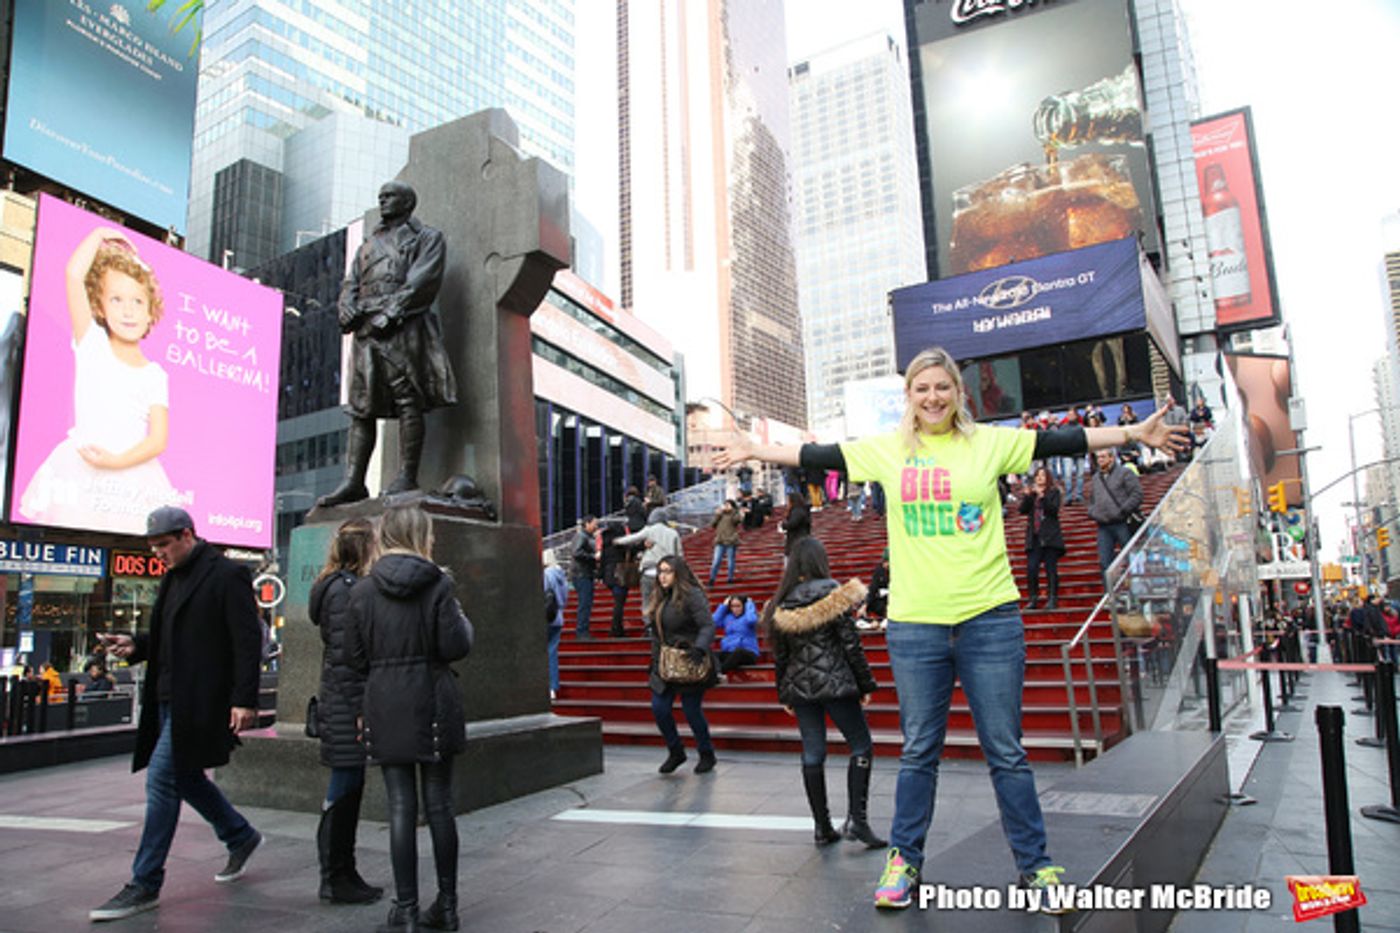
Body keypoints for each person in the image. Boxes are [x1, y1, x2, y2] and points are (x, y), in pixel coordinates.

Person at [712, 345, 1187, 912]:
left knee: (1006, 752)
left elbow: (1065, 441)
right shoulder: (888, 451)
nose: (933, 397)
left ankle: (1035, 866)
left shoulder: (989, 442)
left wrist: (1136, 433)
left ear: (958, 393)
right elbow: (817, 451)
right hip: (916, 626)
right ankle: (904, 863)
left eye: (942, 387)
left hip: (990, 619)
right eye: (922, 388)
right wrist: (753, 448)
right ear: (909, 396)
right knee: (919, 752)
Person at [89, 507, 264, 922]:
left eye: (163, 545)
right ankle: (239, 835)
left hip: (201, 701)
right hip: (167, 698)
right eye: (153, 548)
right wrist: (136, 644)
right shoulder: (171, 576)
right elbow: (172, 639)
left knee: (162, 779)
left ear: (187, 535)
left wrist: (245, 700)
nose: (158, 554)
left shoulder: (227, 574)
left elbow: (246, 642)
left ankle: (145, 883)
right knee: (184, 776)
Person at [345, 504, 474, 932]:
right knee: (440, 805)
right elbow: (455, 646)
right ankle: (448, 906)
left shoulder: (361, 591)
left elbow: (353, 657)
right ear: (424, 536)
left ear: (384, 536)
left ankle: (404, 909)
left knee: (401, 807)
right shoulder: (439, 584)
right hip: (435, 699)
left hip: (385, 702)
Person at [21, 227, 176, 534]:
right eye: (117, 299)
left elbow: (158, 439)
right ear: (100, 307)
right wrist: (99, 233)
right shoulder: (91, 344)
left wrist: (116, 462)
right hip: (79, 467)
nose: (128, 311)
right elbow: (73, 275)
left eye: (137, 302)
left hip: (131, 475)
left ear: (150, 312)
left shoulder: (155, 374)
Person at [318, 182, 458, 506]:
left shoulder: (427, 238)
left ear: (408, 201)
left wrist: (393, 312)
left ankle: (407, 474)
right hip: (366, 329)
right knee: (360, 408)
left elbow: (423, 280)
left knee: (408, 398)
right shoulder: (368, 244)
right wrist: (346, 307)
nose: (382, 201)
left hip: (402, 328)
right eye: (380, 196)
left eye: (389, 196)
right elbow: (350, 282)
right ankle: (354, 481)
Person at [765, 536, 885, 849]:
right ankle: (857, 820)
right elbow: (851, 645)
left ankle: (822, 826)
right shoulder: (834, 593)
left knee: (813, 752)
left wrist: (783, 693)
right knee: (860, 745)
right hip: (837, 683)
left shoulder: (782, 602)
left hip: (800, 688)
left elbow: (781, 655)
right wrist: (865, 684)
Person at [308, 518, 384, 905]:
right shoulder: (344, 592)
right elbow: (347, 658)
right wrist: (359, 708)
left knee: (349, 787)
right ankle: (335, 877)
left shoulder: (338, 587)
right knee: (343, 787)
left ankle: (343, 872)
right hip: (345, 704)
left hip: (341, 700)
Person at [646, 554, 718, 775]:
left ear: (678, 573)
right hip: (665, 662)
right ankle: (676, 751)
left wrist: (699, 648)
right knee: (659, 708)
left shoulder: (691, 595)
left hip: (689, 661)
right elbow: (658, 635)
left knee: (691, 710)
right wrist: (654, 663)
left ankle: (706, 753)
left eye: (668, 571)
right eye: (660, 571)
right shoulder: (660, 596)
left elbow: (707, 625)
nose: (662, 576)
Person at [1086, 448, 1143, 578]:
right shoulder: (1096, 478)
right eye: (1098, 457)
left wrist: (1123, 510)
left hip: (1123, 522)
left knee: (1131, 559)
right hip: (1103, 525)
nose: (1100, 460)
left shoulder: (1125, 473)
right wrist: (1093, 512)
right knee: (1105, 562)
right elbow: (1092, 499)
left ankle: (1134, 589)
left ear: (1111, 458)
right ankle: (1110, 594)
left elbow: (1137, 494)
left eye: (1103, 457)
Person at [615, 508, 682, 611]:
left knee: (647, 602)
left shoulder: (649, 530)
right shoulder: (674, 533)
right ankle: (664, 624)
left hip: (649, 572)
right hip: (668, 572)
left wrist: (616, 541)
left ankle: (649, 625)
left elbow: (633, 538)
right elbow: (680, 555)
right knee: (666, 601)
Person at [1019, 466, 1065, 610]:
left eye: (1043, 476)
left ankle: (1052, 598)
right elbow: (1022, 510)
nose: (1039, 479)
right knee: (1031, 568)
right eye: (1037, 476)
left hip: (1050, 536)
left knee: (1051, 568)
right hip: (1034, 537)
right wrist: (1028, 496)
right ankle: (1033, 598)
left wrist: (1042, 497)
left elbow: (1053, 510)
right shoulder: (1032, 495)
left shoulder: (1054, 492)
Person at [570, 515, 600, 640]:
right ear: (587, 524)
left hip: (585, 573)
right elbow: (576, 553)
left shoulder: (586, 537)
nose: (596, 526)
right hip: (581, 574)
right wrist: (593, 557)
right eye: (594, 523)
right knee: (585, 603)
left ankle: (583, 630)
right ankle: (581, 631)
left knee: (586, 603)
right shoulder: (581, 536)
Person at [543, 549, 568, 699]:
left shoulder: (546, 575)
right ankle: (553, 686)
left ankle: (548, 686)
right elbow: (564, 598)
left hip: (546, 616)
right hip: (558, 616)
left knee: (544, 652)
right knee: (552, 652)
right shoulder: (561, 576)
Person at [713, 595, 760, 674]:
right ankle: (718, 672)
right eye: (732, 606)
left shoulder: (748, 616)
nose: (735, 609)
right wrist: (723, 606)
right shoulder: (728, 618)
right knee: (713, 654)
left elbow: (751, 620)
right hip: (730, 652)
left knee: (738, 652)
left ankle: (720, 672)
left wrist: (749, 604)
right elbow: (713, 622)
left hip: (748, 653)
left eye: (738, 606)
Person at [709, 500, 743, 586]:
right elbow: (712, 525)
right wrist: (717, 515)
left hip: (731, 540)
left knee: (730, 560)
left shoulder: (735, 514)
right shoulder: (720, 515)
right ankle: (712, 579)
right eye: (724, 505)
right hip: (720, 540)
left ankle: (730, 578)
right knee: (716, 561)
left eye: (728, 505)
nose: (725, 506)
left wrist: (735, 512)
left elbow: (737, 521)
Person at [781, 491, 811, 560]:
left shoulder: (798, 511)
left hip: (797, 542)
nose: (787, 503)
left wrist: (784, 525)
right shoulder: (798, 510)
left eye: (788, 500)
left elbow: (793, 523)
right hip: (796, 541)